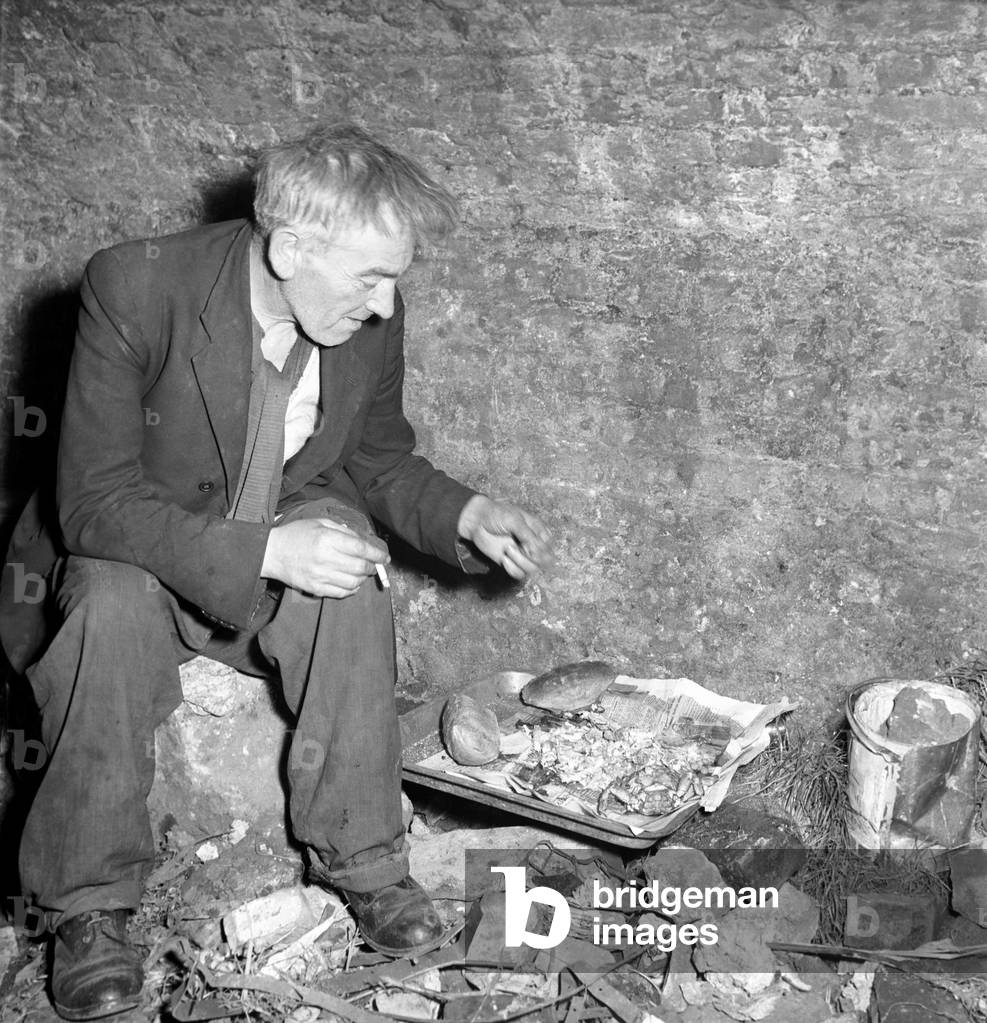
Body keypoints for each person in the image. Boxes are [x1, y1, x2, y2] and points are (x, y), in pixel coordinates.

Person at [0, 123, 553, 1021]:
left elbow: (376, 459)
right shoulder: (135, 286)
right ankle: (88, 906)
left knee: (350, 570)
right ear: (290, 249)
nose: (384, 305)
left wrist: (463, 511)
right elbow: (94, 502)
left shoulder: (365, 315)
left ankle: (366, 862)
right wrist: (264, 551)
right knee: (107, 600)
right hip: (135, 543)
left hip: (269, 520)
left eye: (393, 280)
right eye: (369, 279)